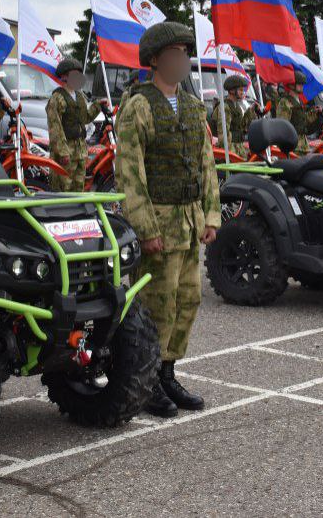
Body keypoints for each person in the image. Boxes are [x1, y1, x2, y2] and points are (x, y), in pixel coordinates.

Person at [116, 21, 221, 418]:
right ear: (156, 59)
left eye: (186, 54)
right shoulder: (138, 106)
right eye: (175, 54)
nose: (183, 61)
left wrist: (211, 214)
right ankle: (145, 381)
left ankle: (167, 372)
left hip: (190, 221)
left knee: (187, 301)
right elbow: (129, 171)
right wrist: (144, 229)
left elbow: (207, 164)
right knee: (156, 305)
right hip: (158, 223)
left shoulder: (194, 107)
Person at [46, 58, 104, 191]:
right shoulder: (57, 98)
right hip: (66, 152)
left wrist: (97, 106)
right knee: (63, 189)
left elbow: (84, 118)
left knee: (79, 189)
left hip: (80, 151)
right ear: (64, 76)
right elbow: (55, 128)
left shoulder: (80, 96)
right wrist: (63, 152)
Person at [209, 74, 253, 153]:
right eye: (240, 90)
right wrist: (235, 153)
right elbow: (223, 137)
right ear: (232, 91)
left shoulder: (236, 106)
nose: (242, 92)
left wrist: (251, 111)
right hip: (230, 149)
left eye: (243, 90)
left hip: (238, 146)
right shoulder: (225, 107)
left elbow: (241, 127)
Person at [275, 71, 312, 154]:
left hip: (303, 145)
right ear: (291, 85)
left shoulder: (299, 101)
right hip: (293, 146)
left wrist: (315, 114)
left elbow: (303, 120)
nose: (302, 86)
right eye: (299, 84)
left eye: (302, 84)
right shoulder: (285, 102)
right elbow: (283, 126)